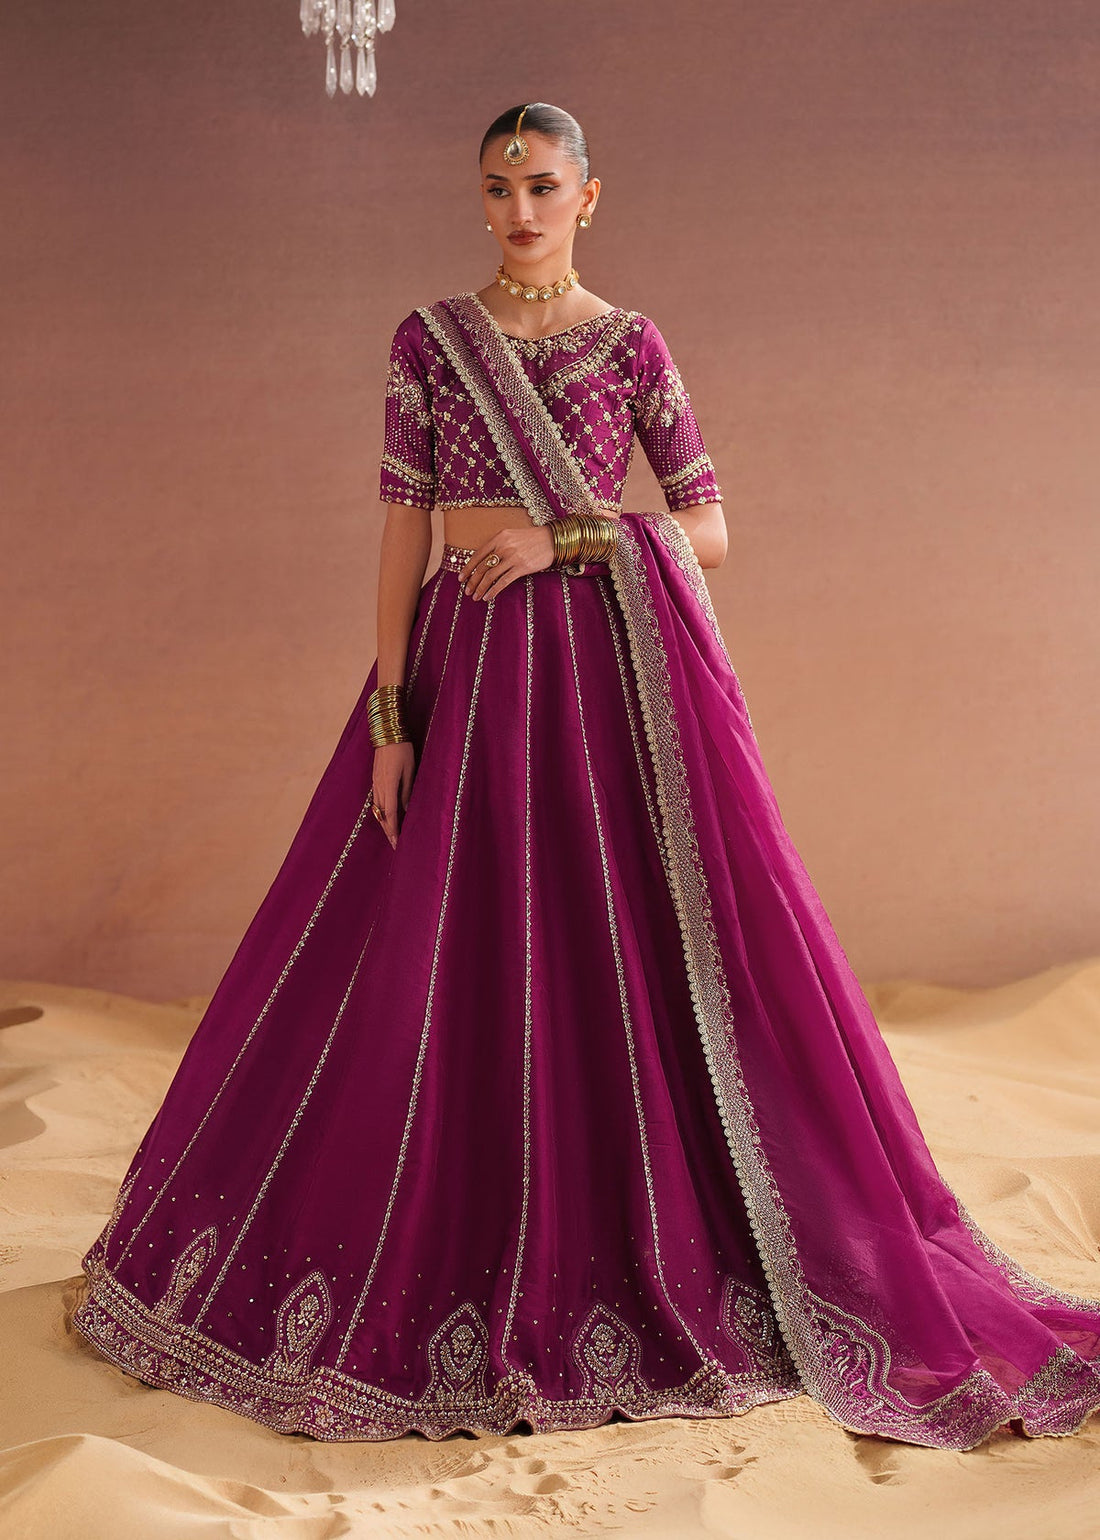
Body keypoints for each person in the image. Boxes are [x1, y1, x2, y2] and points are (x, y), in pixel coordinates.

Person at [71, 102, 1100, 1450]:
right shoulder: (429, 340)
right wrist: (391, 714)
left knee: (604, 947)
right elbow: (402, 531)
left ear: (589, 197)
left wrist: (563, 539)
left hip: (600, 682)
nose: (520, 211)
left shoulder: (632, 344)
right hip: (463, 672)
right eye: (498, 188)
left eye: (544, 187)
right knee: (432, 953)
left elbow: (708, 528)